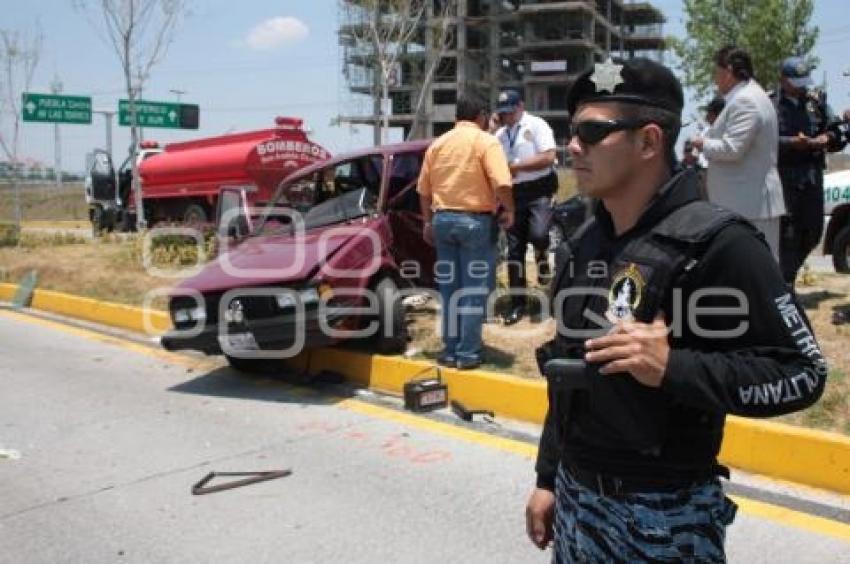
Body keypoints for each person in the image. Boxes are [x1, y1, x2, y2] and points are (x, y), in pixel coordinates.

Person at [526, 57, 826, 562]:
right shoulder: (586, 238)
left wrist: (673, 368)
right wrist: (548, 477)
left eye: (593, 131)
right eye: (571, 131)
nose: (572, 145)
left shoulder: (719, 243)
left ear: (648, 142)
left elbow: (803, 373)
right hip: (577, 500)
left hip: (664, 517)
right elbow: (568, 371)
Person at [417, 94, 514, 370]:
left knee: (449, 288)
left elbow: (423, 191)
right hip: (474, 222)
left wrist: (427, 222)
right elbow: (502, 182)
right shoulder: (486, 141)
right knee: (473, 289)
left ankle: (450, 350)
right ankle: (468, 353)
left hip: (442, 220)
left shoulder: (438, 145)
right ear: (481, 116)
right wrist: (510, 210)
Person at [691, 46, 786, 261]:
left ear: (729, 70)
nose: (715, 79)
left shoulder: (746, 101)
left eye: (716, 72)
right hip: (748, 202)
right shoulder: (752, 96)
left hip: (749, 204)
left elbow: (733, 149)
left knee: (755, 272)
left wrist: (702, 143)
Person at [772, 56, 847, 286]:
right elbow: (762, 141)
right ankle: (785, 282)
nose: (802, 87)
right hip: (784, 177)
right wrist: (792, 142)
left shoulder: (816, 103)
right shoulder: (770, 105)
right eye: (797, 82)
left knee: (813, 231)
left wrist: (827, 138)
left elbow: (839, 132)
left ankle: (787, 275)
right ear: (783, 79)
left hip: (812, 176)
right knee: (788, 234)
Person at [494, 90, 559, 325]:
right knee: (514, 251)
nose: (506, 116)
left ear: (520, 106)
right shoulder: (499, 135)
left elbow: (548, 157)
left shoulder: (537, 125)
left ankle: (542, 261)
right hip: (514, 194)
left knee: (539, 234)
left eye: (510, 111)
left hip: (539, 190)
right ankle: (517, 304)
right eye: (503, 113)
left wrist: (516, 166)